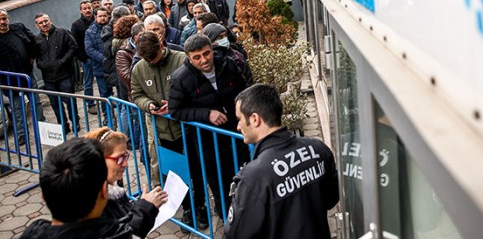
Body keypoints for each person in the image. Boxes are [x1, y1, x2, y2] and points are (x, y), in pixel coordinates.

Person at [223, 84, 339, 239]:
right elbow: (331, 198)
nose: (238, 126)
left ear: (255, 119)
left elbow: (236, 234)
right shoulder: (318, 149)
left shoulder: (253, 178)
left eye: (239, 119)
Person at [130, 31, 207, 229]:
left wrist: (175, 106)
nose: (151, 62)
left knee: (196, 170)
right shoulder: (139, 68)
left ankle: (201, 206)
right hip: (163, 132)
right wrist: (148, 105)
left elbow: (199, 90)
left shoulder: (181, 60)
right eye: (148, 60)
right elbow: (136, 94)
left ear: (161, 45)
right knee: (176, 173)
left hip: (187, 129)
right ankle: (187, 208)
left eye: (154, 58)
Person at [168, 34, 251, 218]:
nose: (204, 60)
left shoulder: (228, 64)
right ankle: (226, 217)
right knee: (219, 180)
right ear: (189, 58)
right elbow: (175, 110)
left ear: (212, 50)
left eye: (206, 54)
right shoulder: (180, 78)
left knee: (244, 172)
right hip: (207, 140)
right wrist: (207, 114)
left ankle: (248, 212)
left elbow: (244, 89)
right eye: (197, 57)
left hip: (236, 132)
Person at [19, 138, 148, 239]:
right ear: (104, 191)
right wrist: (144, 210)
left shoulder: (34, 233)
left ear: (43, 195)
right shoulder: (115, 233)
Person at [86, 127, 167, 238]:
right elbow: (123, 234)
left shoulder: (114, 190)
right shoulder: (95, 203)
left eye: (126, 156)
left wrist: (143, 205)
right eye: (119, 158)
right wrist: (146, 207)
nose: (125, 164)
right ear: (99, 159)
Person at [0, 8, 45, 144]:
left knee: (36, 101)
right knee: (17, 108)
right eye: (0, 19)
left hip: (27, 74)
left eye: (4, 18)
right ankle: (21, 134)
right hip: (10, 79)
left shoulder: (18, 28)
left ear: (8, 18)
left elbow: (32, 41)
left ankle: (42, 128)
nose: (2, 22)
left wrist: (32, 56)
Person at [34, 13, 79, 134]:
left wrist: (63, 61)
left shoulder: (62, 32)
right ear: (37, 26)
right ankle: (63, 124)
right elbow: (36, 55)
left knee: (69, 100)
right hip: (48, 77)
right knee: (55, 103)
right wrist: (41, 64)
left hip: (64, 74)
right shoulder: (36, 39)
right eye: (41, 23)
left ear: (50, 20)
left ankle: (75, 121)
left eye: (46, 21)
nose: (44, 24)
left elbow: (73, 47)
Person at [84, 7, 113, 118]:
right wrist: (104, 59)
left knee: (119, 93)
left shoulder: (112, 28)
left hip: (113, 67)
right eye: (100, 16)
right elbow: (89, 50)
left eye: (104, 16)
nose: (103, 18)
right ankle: (108, 117)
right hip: (100, 68)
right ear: (95, 17)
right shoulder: (90, 32)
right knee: (104, 93)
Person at [71, 0, 99, 114]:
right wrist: (83, 58)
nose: (88, 10)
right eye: (85, 8)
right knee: (88, 83)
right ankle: (90, 104)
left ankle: (107, 99)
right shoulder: (76, 25)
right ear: (81, 11)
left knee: (103, 80)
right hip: (87, 59)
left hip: (99, 56)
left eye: (89, 8)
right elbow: (74, 44)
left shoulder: (97, 21)